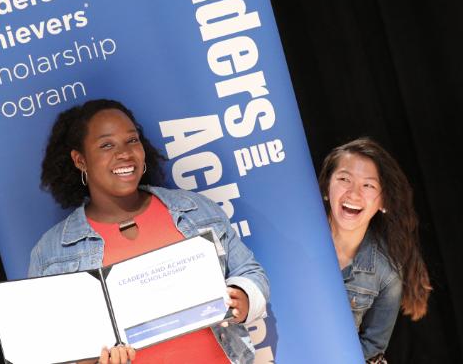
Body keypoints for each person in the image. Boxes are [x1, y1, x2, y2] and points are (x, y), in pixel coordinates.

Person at [29, 99, 269, 364]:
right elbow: (48, 347)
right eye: (107, 145)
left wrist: (244, 298)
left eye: (132, 141)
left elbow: (249, 272)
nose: (124, 153)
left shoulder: (195, 210)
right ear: (80, 160)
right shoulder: (52, 252)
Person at [318, 138, 431, 363]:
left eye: (368, 185)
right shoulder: (296, 236)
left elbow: (372, 345)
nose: (354, 193)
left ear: (383, 201)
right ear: (326, 188)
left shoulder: (386, 272)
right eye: (344, 179)